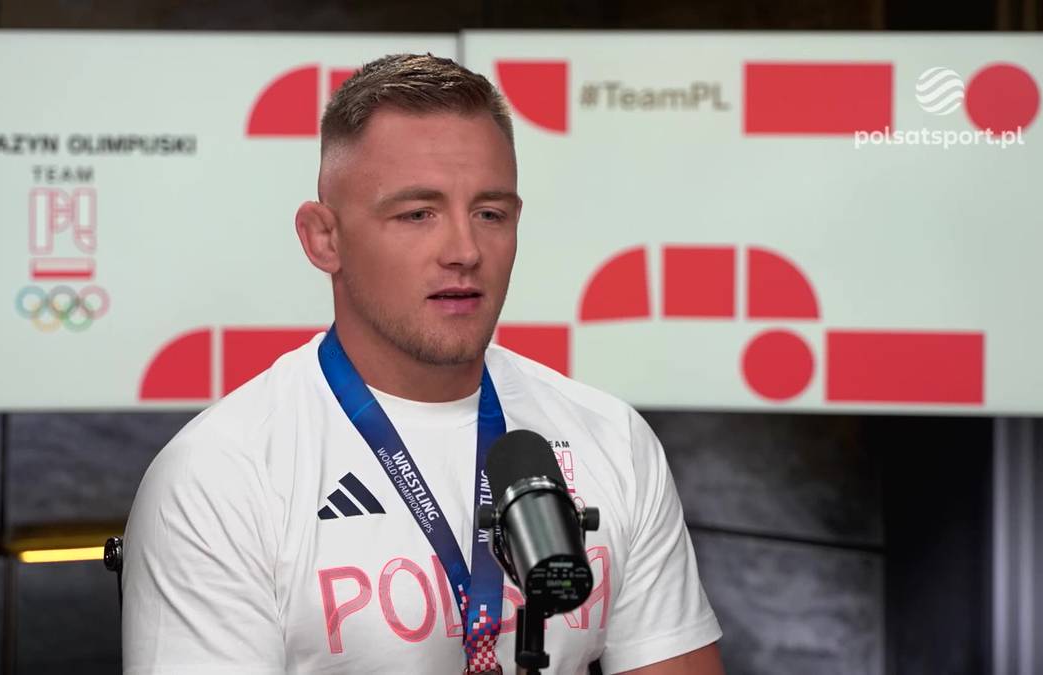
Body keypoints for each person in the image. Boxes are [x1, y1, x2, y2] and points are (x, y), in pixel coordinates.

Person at [122, 53, 724, 675]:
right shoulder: (220, 475)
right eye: (417, 214)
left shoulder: (613, 440)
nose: (464, 250)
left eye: (489, 214)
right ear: (324, 238)